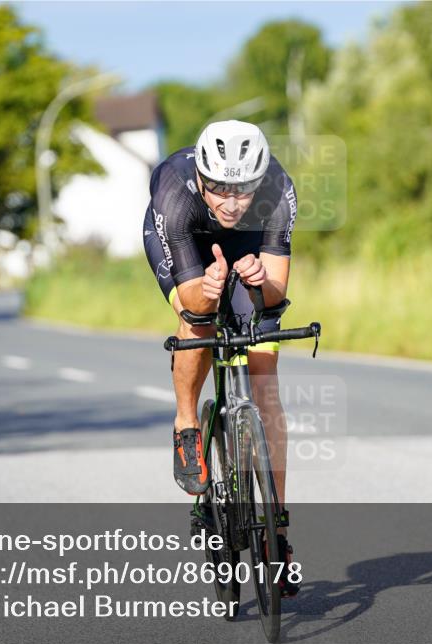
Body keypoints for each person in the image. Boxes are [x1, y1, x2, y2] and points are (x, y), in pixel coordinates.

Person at [141, 120, 299, 596]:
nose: (232, 203)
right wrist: (210, 290)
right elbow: (193, 297)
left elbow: (275, 293)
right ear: (203, 179)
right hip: (184, 241)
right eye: (221, 189)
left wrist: (257, 280)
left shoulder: (278, 188)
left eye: (244, 191)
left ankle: (278, 535)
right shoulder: (175, 188)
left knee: (265, 380)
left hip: (248, 248)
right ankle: (187, 422)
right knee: (199, 321)